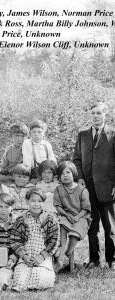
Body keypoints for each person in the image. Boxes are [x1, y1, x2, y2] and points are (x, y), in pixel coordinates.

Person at [72, 102, 115, 269]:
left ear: (105, 114)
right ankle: (93, 260)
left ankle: (112, 260)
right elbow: (76, 159)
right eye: (93, 113)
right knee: (92, 226)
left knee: (110, 226)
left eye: (99, 113)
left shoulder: (112, 134)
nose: (95, 116)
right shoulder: (82, 135)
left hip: (108, 188)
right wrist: (80, 178)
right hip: (88, 188)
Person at [11, 188, 59, 292]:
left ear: (44, 203)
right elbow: (15, 240)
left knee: (40, 277)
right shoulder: (20, 219)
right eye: (33, 201)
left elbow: (54, 242)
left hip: (43, 255)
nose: (36, 204)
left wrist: (41, 257)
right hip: (26, 255)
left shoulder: (50, 219)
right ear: (27, 202)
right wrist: (24, 256)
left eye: (39, 201)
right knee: (20, 279)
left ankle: (41, 278)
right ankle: (22, 281)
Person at [53, 161, 91, 271]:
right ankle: (61, 253)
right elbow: (58, 206)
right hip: (65, 215)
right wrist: (65, 214)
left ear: (73, 173)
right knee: (62, 226)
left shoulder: (82, 189)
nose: (65, 175)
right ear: (59, 176)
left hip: (81, 216)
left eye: (68, 172)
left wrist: (78, 217)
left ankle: (68, 251)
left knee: (75, 232)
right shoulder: (58, 189)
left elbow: (86, 208)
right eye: (62, 173)